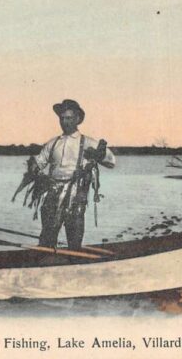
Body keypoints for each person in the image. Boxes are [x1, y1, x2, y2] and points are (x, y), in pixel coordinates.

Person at [30, 99, 115, 251]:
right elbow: (39, 162)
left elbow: (111, 162)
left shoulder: (88, 142)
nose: (64, 122)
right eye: (62, 118)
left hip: (76, 194)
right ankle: (46, 258)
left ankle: (74, 258)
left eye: (68, 118)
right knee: (48, 233)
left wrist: (98, 155)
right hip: (53, 192)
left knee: (74, 231)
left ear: (77, 119)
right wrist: (35, 170)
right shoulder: (53, 143)